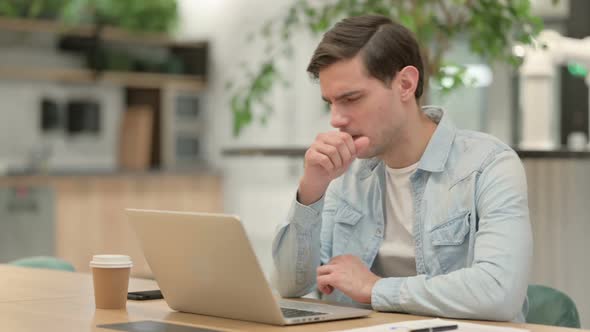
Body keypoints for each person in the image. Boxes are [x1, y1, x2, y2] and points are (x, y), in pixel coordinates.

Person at [272, 14, 532, 322]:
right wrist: (311, 191)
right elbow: (292, 287)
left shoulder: (489, 165)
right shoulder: (347, 177)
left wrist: (376, 289)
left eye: (351, 98)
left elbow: (498, 292)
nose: (336, 119)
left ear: (405, 84)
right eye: (330, 102)